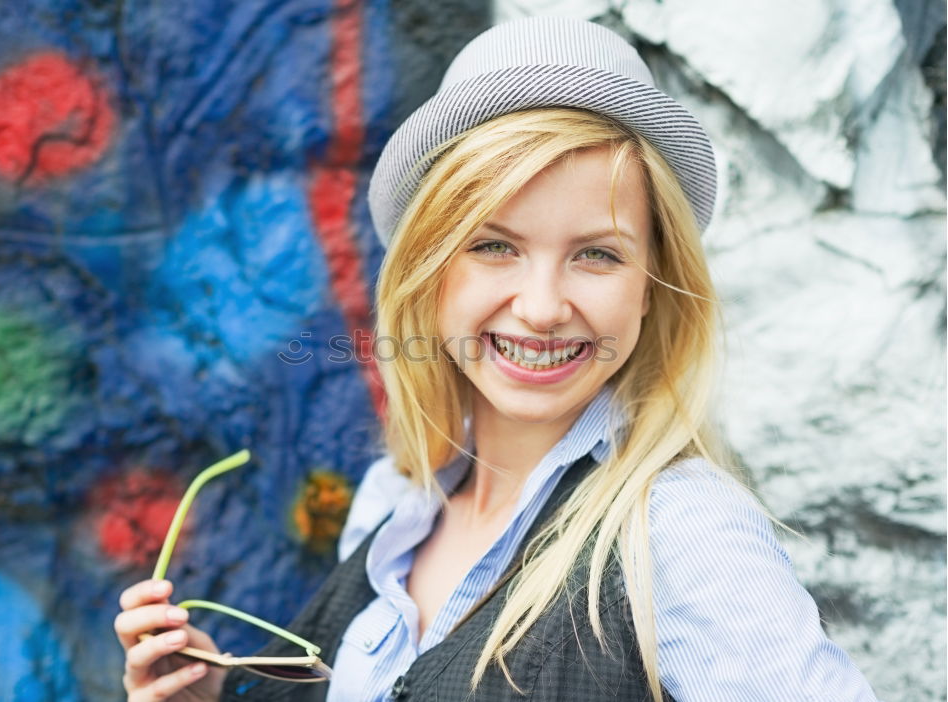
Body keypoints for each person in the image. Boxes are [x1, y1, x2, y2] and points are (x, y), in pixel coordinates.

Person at [115, 17, 883, 701]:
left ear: (652, 288)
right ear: (431, 269)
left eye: (597, 255)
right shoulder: (391, 506)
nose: (543, 306)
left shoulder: (680, 532)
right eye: (493, 246)